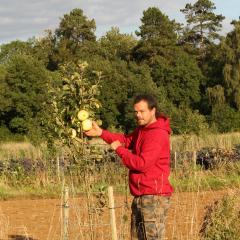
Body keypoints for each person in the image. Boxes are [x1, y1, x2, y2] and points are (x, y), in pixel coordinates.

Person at [85, 94, 173, 240]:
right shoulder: (142, 129)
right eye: (136, 112)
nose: (138, 115)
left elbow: (142, 164)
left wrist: (119, 150)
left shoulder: (157, 134)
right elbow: (126, 140)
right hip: (141, 195)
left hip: (154, 197)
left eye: (142, 111)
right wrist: (101, 133)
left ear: (153, 111)